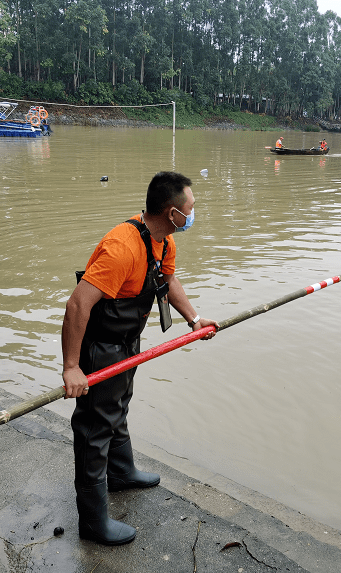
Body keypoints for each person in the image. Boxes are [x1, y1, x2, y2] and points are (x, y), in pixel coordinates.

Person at [62, 171, 218, 546]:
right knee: (95, 429)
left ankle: (122, 472)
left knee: (118, 407)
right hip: (99, 348)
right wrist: (72, 367)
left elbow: (168, 282)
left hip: (127, 342)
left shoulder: (163, 242)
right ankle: (94, 522)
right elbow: (78, 304)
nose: (193, 214)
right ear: (172, 212)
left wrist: (194, 320)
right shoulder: (122, 247)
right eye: (190, 208)